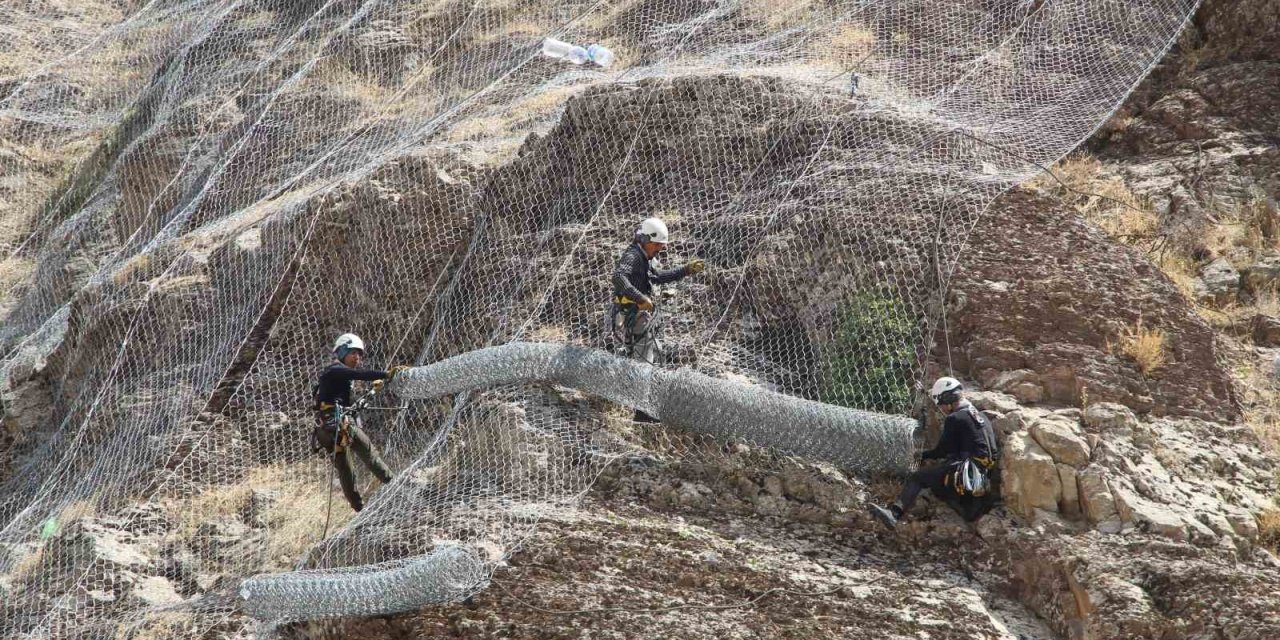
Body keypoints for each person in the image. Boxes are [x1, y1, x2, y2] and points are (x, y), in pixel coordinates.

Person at [868, 376, 1000, 528]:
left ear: (948, 399)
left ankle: (894, 514)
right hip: (983, 476)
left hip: (967, 474)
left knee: (918, 477)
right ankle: (971, 510)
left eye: (941, 403)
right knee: (940, 476)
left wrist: (920, 455)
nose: (941, 408)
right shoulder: (979, 416)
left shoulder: (955, 418)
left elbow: (942, 450)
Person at [610, 217, 704, 421]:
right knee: (644, 362)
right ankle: (642, 412)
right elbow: (618, 277)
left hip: (639, 316)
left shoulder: (643, 257)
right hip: (633, 316)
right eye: (658, 246)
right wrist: (640, 298)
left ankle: (642, 407)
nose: (659, 250)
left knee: (647, 358)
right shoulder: (633, 256)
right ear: (646, 240)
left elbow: (657, 276)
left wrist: (685, 270)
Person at [312, 333, 408, 512]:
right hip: (337, 424)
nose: (357, 357)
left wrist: (372, 391)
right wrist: (386, 374)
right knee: (369, 454)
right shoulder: (335, 370)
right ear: (341, 353)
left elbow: (349, 404)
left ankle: (359, 508)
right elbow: (360, 374)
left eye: (359, 354)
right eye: (353, 352)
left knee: (345, 469)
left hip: (327, 427)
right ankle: (395, 486)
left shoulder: (338, 377)